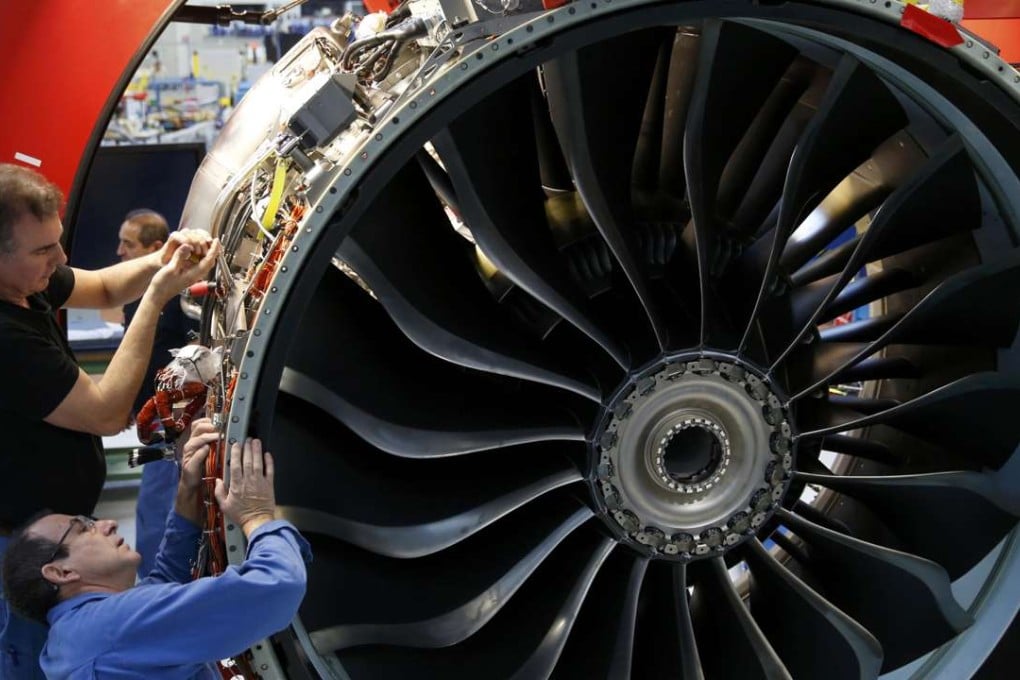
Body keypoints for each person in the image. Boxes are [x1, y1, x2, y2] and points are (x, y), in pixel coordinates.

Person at [0, 163, 219, 678]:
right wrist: (159, 295)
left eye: (57, 242)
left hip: (51, 537)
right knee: (32, 663)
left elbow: (100, 287)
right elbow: (104, 412)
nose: (60, 259)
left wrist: (161, 262)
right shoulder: (6, 337)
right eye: (42, 250)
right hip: (20, 555)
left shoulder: (26, 283)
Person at [1, 419, 311, 678]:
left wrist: (187, 491)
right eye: (84, 528)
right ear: (60, 571)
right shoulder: (110, 626)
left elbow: (163, 585)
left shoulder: (72, 636)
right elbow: (277, 586)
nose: (107, 524)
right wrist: (257, 517)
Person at [116, 208, 199, 578]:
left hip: (172, 434)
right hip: (156, 431)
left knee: (159, 522)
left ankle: (159, 590)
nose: (119, 251)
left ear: (155, 247)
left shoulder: (180, 297)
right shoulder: (138, 294)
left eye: (127, 244)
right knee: (152, 516)